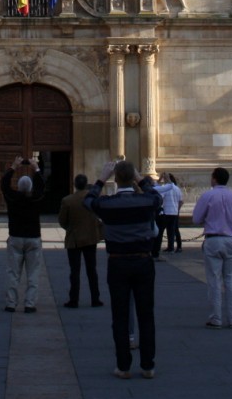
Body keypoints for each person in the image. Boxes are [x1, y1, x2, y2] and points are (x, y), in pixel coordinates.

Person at [85, 159, 160, 380]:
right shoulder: (146, 202)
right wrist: (140, 177)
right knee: (146, 315)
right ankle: (148, 365)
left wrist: (101, 178)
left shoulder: (108, 205)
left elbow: (88, 201)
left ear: (115, 179)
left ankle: (123, 366)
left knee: (120, 315)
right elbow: (157, 196)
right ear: (133, 178)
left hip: (118, 262)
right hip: (143, 262)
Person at [192, 167, 232, 329]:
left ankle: (216, 318)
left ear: (214, 179)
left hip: (213, 239)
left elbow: (196, 218)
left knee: (214, 280)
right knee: (231, 280)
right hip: (230, 239)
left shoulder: (208, 195)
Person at [1, 157, 45, 313]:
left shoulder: (12, 198)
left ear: (18, 187)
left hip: (16, 237)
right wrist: (36, 168)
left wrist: (13, 167)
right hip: (33, 238)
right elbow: (41, 187)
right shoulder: (36, 199)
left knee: (13, 272)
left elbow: (4, 185)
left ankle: (11, 303)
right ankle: (30, 304)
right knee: (33, 273)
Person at [58, 174, 104, 309]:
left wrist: (70, 228)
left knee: (74, 271)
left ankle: (74, 300)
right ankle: (95, 298)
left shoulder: (68, 200)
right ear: (86, 184)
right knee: (92, 270)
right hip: (91, 238)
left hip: (74, 239)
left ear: (74, 184)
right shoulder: (94, 199)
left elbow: (62, 220)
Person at [152, 174, 183, 257]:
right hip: (174, 212)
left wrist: (159, 180)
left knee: (161, 231)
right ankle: (172, 247)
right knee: (173, 230)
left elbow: (160, 196)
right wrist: (177, 209)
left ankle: (162, 248)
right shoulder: (177, 189)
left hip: (166, 212)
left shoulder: (165, 188)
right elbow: (181, 201)